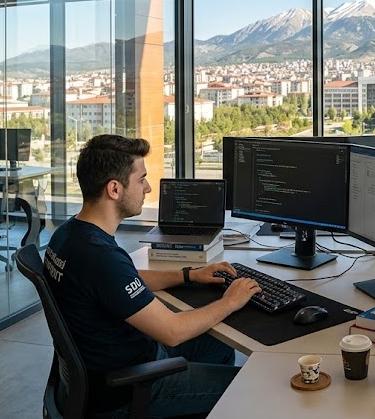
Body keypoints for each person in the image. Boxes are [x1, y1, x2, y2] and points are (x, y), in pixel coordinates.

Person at [44, 135, 261, 418]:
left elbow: (124, 281)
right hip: (130, 389)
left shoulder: (69, 235)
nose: (147, 188)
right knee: (250, 387)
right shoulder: (100, 257)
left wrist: (189, 275)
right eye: (141, 179)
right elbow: (173, 331)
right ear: (114, 189)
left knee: (218, 344)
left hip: (107, 371)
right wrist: (230, 301)